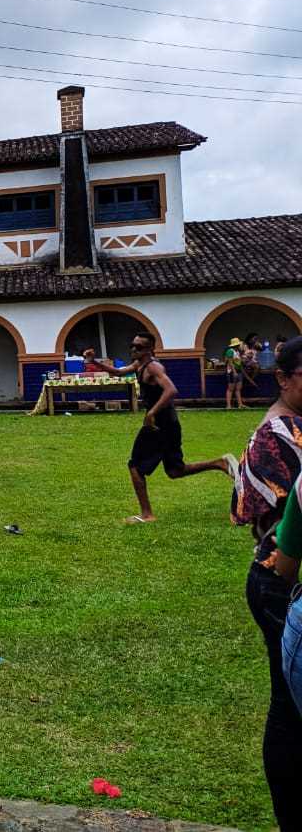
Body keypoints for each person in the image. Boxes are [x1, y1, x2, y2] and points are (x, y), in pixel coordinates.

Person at [233, 337, 302, 828]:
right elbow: (271, 522)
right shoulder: (273, 435)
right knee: (290, 708)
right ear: (283, 378)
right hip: (281, 581)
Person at [93, 332, 233, 524]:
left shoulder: (153, 367)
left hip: (159, 424)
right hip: (169, 423)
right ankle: (219, 463)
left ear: (150, 349)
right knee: (175, 471)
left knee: (135, 465)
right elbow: (118, 372)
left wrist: (151, 413)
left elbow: (171, 390)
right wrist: (94, 361)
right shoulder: (139, 365)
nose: (134, 349)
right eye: (132, 345)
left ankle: (147, 514)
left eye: (139, 347)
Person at [225, 338, 245, 410]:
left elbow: (238, 362)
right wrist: (234, 372)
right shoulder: (230, 351)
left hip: (238, 371)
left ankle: (240, 404)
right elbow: (230, 362)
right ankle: (228, 405)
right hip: (232, 372)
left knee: (238, 388)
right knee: (230, 389)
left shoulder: (237, 352)